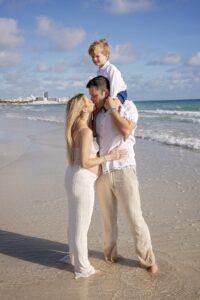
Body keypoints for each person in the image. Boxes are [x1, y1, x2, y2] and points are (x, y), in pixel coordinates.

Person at [86, 76, 158, 274]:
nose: (91, 99)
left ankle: (149, 261)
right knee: (108, 221)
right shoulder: (97, 114)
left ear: (105, 93)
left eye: (94, 96)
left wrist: (111, 109)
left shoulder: (127, 107)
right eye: (90, 96)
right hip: (103, 173)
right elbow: (90, 138)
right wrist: (91, 114)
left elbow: (126, 130)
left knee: (135, 217)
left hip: (124, 169)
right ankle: (111, 257)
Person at [62, 93, 126, 279]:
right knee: (81, 227)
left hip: (72, 178)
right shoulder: (85, 131)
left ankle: (73, 257)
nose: (92, 102)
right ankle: (83, 269)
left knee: (74, 223)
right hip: (82, 181)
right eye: (88, 101)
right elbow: (85, 162)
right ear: (82, 108)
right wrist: (110, 157)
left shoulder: (75, 127)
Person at [88, 39, 128, 104]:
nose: (95, 59)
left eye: (97, 56)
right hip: (107, 93)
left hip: (119, 93)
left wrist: (112, 98)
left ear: (106, 55)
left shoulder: (111, 69)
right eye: (93, 57)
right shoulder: (99, 71)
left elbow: (114, 84)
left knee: (112, 104)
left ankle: (118, 112)